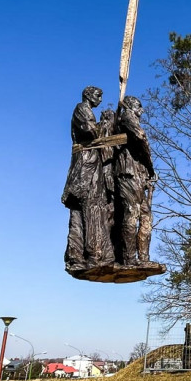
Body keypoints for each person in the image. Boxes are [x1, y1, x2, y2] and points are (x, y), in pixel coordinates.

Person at [62, 86, 115, 272]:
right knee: (92, 208)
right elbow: (92, 132)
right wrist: (107, 124)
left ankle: (78, 256)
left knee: (81, 212)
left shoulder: (85, 111)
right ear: (87, 95)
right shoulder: (82, 109)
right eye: (98, 95)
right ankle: (93, 255)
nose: (100, 99)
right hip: (86, 166)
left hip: (86, 164)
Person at [112, 95, 156, 266]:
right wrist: (150, 164)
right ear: (130, 106)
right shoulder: (127, 117)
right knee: (131, 214)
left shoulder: (129, 117)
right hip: (127, 174)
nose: (141, 110)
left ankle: (143, 258)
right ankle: (129, 259)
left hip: (137, 175)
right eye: (139, 106)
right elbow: (141, 136)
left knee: (146, 215)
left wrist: (146, 171)